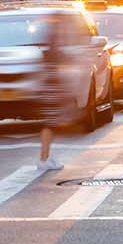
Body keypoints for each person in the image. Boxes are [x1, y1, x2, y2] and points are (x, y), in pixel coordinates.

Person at [36, 14, 78, 172]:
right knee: (50, 124)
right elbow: (57, 61)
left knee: (52, 124)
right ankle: (44, 158)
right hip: (51, 86)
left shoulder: (51, 42)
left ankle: (46, 156)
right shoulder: (54, 43)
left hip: (50, 85)